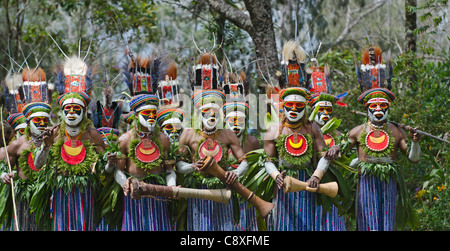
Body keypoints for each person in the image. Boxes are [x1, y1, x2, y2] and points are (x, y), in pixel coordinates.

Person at [263, 40, 341, 231]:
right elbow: (267, 160)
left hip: (308, 181)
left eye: (299, 106)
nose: (294, 109)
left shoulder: (312, 127)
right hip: (284, 183)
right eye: (290, 105)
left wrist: (316, 175)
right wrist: (275, 175)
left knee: (308, 224)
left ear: (305, 107)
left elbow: (324, 154)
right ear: (284, 106)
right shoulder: (274, 130)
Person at [348, 46, 421, 231]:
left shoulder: (396, 131)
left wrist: (414, 142)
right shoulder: (357, 132)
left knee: (387, 221)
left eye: (383, 105)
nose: (379, 110)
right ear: (367, 109)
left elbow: (413, 159)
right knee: (366, 221)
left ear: (388, 108)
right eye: (375, 106)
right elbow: (342, 159)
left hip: (388, 182)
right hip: (366, 182)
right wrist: (354, 162)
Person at [175, 52, 249, 231]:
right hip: (199, 190)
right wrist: (191, 167)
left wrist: (235, 173)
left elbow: (244, 161)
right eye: (206, 111)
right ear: (199, 112)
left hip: (224, 186)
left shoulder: (227, 134)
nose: (211, 115)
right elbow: (177, 164)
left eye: (214, 111)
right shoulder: (189, 134)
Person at [32, 56, 107, 231]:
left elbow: (105, 169)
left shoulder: (93, 135)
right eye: (68, 109)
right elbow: (38, 164)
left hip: (85, 191)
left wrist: (107, 164)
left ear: (84, 111)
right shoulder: (54, 133)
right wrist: (46, 146)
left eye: (76, 109)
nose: (72, 112)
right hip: (60, 190)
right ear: (62, 111)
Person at [110, 55, 175, 231]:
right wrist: (125, 183)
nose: (152, 119)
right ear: (136, 115)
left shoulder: (163, 139)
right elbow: (118, 171)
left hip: (157, 193)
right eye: (147, 115)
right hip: (134, 195)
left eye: (154, 115)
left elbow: (169, 170)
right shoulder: (125, 139)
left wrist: (171, 187)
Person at [0, 67, 52, 231]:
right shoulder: (18, 144)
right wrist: (3, 175)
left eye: (45, 121)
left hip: (46, 196)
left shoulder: (54, 140)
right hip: (23, 198)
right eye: (38, 121)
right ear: (29, 121)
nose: (42, 125)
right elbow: (2, 162)